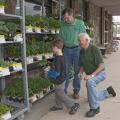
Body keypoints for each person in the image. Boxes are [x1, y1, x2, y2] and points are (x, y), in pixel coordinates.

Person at [78, 33, 116, 117]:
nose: (79, 43)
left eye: (80, 41)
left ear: (87, 40)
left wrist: (91, 76)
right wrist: (80, 73)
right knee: (91, 97)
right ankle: (107, 92)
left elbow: (102, 65)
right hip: (91, 75)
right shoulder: (81, 51)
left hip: (100, 73)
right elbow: (81, 65)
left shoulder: (94, 49)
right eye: (78, 41)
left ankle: (95, 108)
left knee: (90, 82)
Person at [45, 38, 79, 115]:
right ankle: (58, 105)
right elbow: (57, 68)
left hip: (59, 79)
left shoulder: (58, 59)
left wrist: (48, 73)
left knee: (60, 94)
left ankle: (73, 105)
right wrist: (50, 67)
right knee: (57, 92)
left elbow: (57, 73)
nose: (52, 49)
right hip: (61, 79)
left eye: (52, 48)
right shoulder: (60, 57)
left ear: (56, 48)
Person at [59, 8, 86, 99]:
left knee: (77, 72)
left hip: (77, 50)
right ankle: (64, 92)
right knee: (65, 72)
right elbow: (61, 39)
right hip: (66, 50)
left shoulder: (80, 23)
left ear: (71, 15)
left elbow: (84, 37)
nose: (66, 20)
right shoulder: (63, 25)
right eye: (64, 18)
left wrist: (84, 49)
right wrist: (58, 50)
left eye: (67, 18)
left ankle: (76, 91)